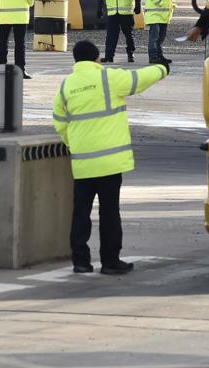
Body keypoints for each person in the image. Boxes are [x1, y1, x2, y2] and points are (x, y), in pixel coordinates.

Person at [52, 40, 169, 275]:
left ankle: (81, 261)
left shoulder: (67, 85)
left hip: (83, 162)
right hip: (109, 162)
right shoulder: (108, 78)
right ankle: (110, 261)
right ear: (97, 59)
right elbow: (140, 79)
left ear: (75, 60)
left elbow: (60, 123)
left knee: (81, 211)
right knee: (109, 212)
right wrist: (162, 68)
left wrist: (74, 144)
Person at [144, 0, 174, 64]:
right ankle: (153, 57)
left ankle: (159, 56)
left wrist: (173, 3)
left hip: (164, 14)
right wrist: (159, 2)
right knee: (154, 38)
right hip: (155, 14)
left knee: (160, 38)